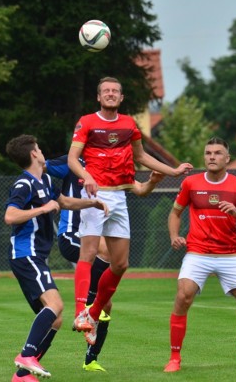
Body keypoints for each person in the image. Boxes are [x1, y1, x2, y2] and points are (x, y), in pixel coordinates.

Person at [67, 76, 193, 346]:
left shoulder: (128, 124)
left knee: (121, 264)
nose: (111, 94)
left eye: (115, 91)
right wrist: (87, 177)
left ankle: (93, 312)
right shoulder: (87, 121)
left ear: (121, 98)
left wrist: (172, 170)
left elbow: (141, 156)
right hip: (94, 193)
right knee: (88, 252)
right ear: (99, 97)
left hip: (120, 195)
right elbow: (71, 159)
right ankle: (80, 312)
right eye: (106, 91)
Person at [45, 155, 164, 372]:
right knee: (105, 251)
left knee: (106, 303)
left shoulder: (114, 165)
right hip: (72, 234)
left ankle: (91, 360)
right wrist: (48, 196)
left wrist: (153, 181)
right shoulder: (74, 162)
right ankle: (86, 309)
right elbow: (39, 167)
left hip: (95, 237)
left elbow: (140, 190)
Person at [5, 134, 109, 382]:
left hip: (35, 257)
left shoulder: (46, 181)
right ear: (33, 154)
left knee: (56, 319)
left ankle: (22, 375)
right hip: (26, 254)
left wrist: (91, 203)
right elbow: (10, 216)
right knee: (56, 305)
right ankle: (26, 356)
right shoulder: (24, 184)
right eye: (39, 148)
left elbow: (63, 202)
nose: (42, 152)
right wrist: (42, 209)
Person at [164, 137, 236, 372]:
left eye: (217, 153)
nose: (212, 157)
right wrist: (174, 235)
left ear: (227, 159)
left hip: (230, 254)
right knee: (183, 296)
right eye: (208, 153)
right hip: (198, 252)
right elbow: (175, 213)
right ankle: (174, 358)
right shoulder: (191, 183)